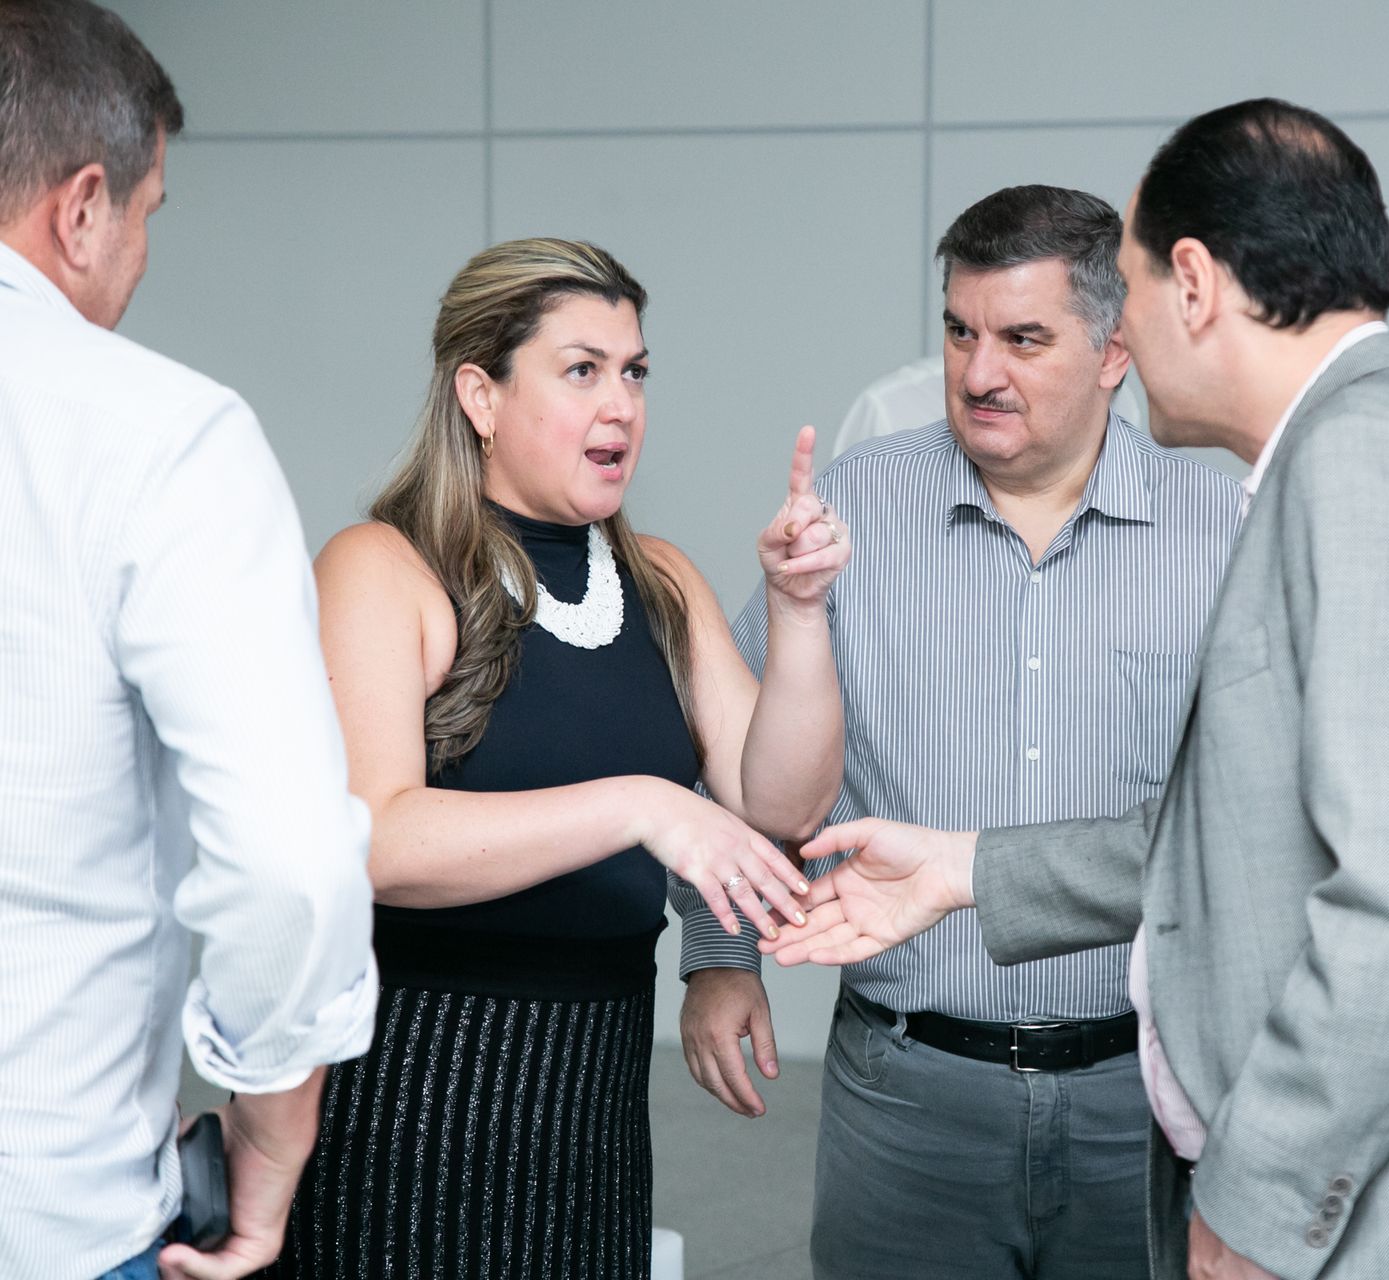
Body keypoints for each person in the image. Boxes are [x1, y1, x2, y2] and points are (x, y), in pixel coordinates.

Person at [763, 99, 1389, 1280]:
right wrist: (969, 868)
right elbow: (1263, 832)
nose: (1127, 335)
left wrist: (1260, 1196)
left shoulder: (1373, 470)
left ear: (1194, 285)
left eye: (1133, 292)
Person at [676, 185, 1242, 1280]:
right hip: (907, 1091)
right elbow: (732, 756)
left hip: (1145, 1099)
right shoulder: (854, 509)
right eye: (959, 331)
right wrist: (719, 954)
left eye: (1023, 339)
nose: (979, 373)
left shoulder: (1223, 534)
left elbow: (1251, 822)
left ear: (1115, 350)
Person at [260, 237, 845, 1280]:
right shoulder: (383, 568)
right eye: (582, 370)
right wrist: (640, 805)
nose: (621, 405)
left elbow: (782, 803)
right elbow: (377, 836)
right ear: (479, 396)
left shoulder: (661, 581)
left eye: (635, 372)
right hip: (408, 1110)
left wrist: (799, 611)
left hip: (593, 1124)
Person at [0, 3, 380, 1278]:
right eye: (149, 212)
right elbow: (287, 864)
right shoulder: (163, 435)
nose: (143, 252)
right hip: (46, 1210)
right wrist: (268, 1136)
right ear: (82, 206)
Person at [831, 353, 1146, 459]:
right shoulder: (890, 409)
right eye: (962, 332)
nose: (977, 380)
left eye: (1021, 339)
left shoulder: (1118, 403)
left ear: (1110, 356)